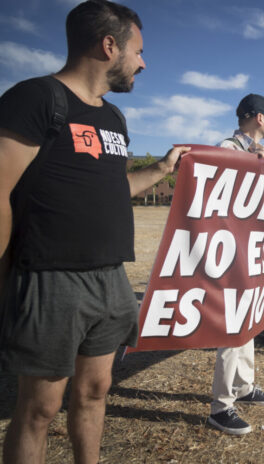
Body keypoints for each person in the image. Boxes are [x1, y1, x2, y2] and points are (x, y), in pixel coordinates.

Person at [0, 2, 190, 462]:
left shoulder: (113, 118)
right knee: (39, 410)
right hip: (51, 279)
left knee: (95, 391)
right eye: (139, 51)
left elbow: (113, 188)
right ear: (110, 46)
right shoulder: (36, 98)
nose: (143, 63)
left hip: (111, 280)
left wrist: (163, 168)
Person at [209, 93, 264, 435]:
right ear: (258, 117)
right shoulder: (228, 149)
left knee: (249, 321)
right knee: (232, 326)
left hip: (252, 252)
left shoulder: (255, 153)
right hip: (232, 254)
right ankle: (221, 405)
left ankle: (243, 386)